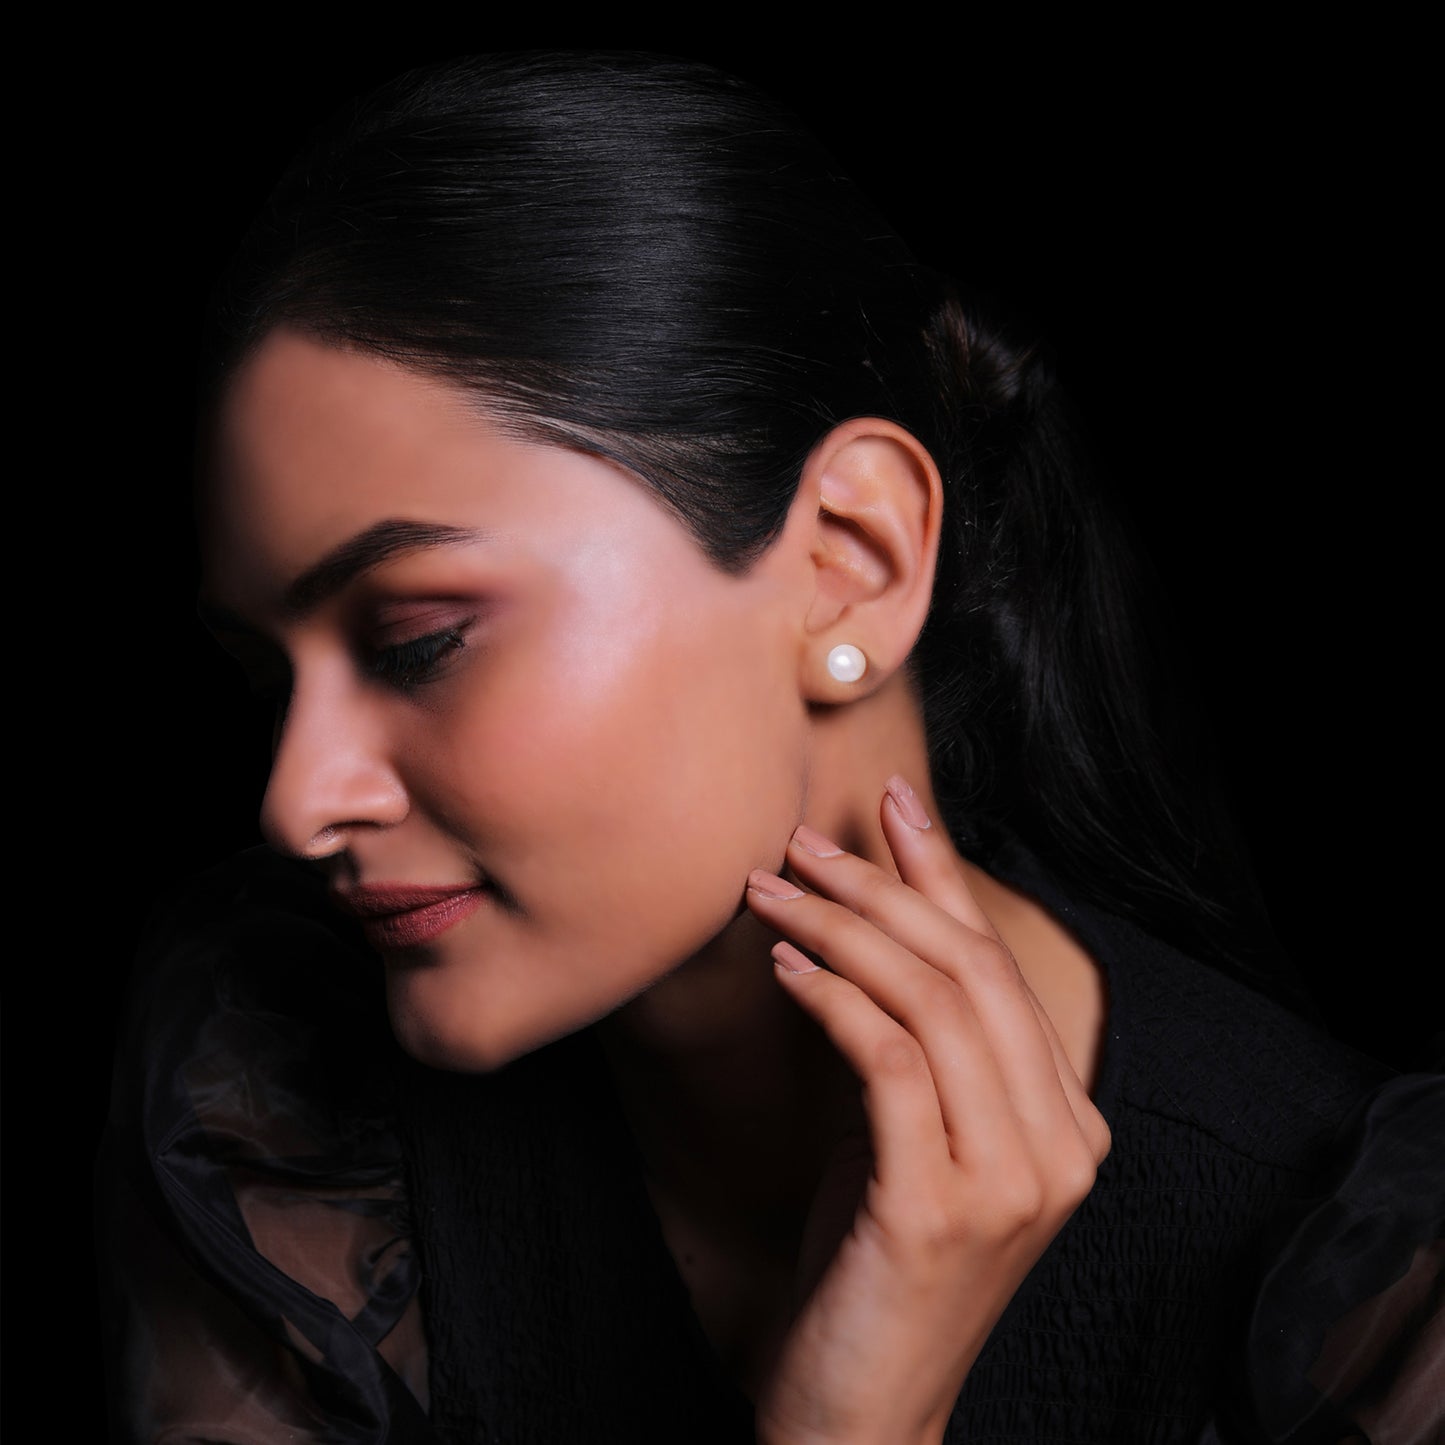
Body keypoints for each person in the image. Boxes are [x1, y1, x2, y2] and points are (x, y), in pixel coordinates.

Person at [97, 51, 1442, 1444]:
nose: (296, 800)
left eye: (418, 638)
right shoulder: (278, 1109)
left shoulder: (1366, 1300)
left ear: (851, 561)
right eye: (265, 677)